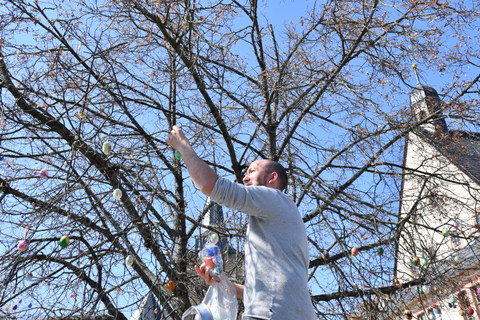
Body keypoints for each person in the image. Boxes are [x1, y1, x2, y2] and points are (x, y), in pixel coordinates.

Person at [167, 126, 317, 320]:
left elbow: (209, 184)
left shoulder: (274, 198)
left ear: (272, 178)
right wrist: (224, 283)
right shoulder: (277, 225)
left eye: (252, 171)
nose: (244, 177)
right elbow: (260, 294)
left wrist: (183, 147)